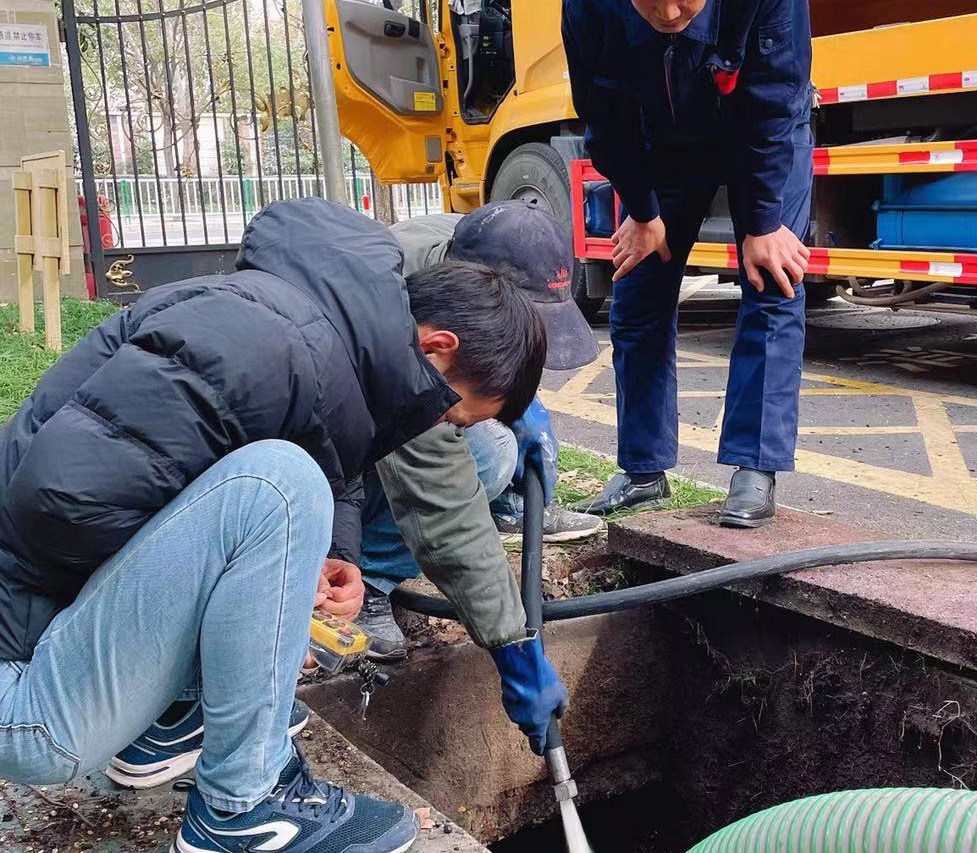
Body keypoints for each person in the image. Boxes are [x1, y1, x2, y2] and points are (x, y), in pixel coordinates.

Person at [0, 198, 563, 853]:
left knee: (288, 485)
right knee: (278, 485)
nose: (445, 427)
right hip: (26, 699)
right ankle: (240, 807)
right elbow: (57, 501)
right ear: (438, 348)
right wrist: (232, 620)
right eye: (455, 415)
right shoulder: (265, 353)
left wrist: (320, 561)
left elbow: (331, 443)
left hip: (29, 635)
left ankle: (166, 724)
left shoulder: (311, 331)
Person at [563, 0, 813, 528]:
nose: (670, 11)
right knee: (636, 291)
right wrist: (642, 208)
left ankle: (754, 467)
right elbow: (601, 112)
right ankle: (643, 471)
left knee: (773, 283)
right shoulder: (588, 7)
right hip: (664, 146)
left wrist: (763, 223)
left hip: (763, 137)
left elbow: (774, 100)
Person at [355, 200, 603, 663]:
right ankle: (370, 573)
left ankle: (507, 505)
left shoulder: (491, 245)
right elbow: (431, 477)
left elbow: (494, 358)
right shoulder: (398, 305)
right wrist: (510, 642)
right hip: (336, 456)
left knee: (500, 425)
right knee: (485, 450)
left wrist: (518, 406)